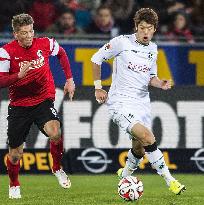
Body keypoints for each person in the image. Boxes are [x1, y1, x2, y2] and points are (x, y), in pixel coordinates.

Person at [91, 8, 186, 195]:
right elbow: (96, 59)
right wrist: (98, 87)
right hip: (120, 102)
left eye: (149, 28)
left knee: (140, 148)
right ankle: (171, 181)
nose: (145, 32)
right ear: (136, 27)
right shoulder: (121, 42)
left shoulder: (153, 49)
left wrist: (161, 84)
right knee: (148, 137)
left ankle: (124, 174)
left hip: (142, 103)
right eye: (142, 28)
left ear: (154, 30)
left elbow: (151, 77)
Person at [0, 13, 75, 199]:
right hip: (19, 105)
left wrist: (69, 79)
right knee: (15, 155)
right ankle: (14, 183)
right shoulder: (6, 52)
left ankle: (57, 168)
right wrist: (17, 76)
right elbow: (1, 80)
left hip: (43, 100)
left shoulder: (45, 44)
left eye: (31, 31)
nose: (28, 36)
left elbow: (62, 54)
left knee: (55, 132)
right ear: (16, 34)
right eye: (24, 33)